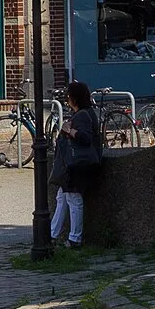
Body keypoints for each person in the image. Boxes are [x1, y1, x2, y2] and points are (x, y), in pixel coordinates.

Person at [50, 81, 102, 247]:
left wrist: (68, 130)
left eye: (69, 95)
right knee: (62, 196)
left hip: (77, 164)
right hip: (74, 163)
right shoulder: (86, 113)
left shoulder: (82, 116)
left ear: (74, 98)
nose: (67, 98)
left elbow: (85, 138)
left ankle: (74, 238)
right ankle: (53, 233)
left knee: (73, 197)